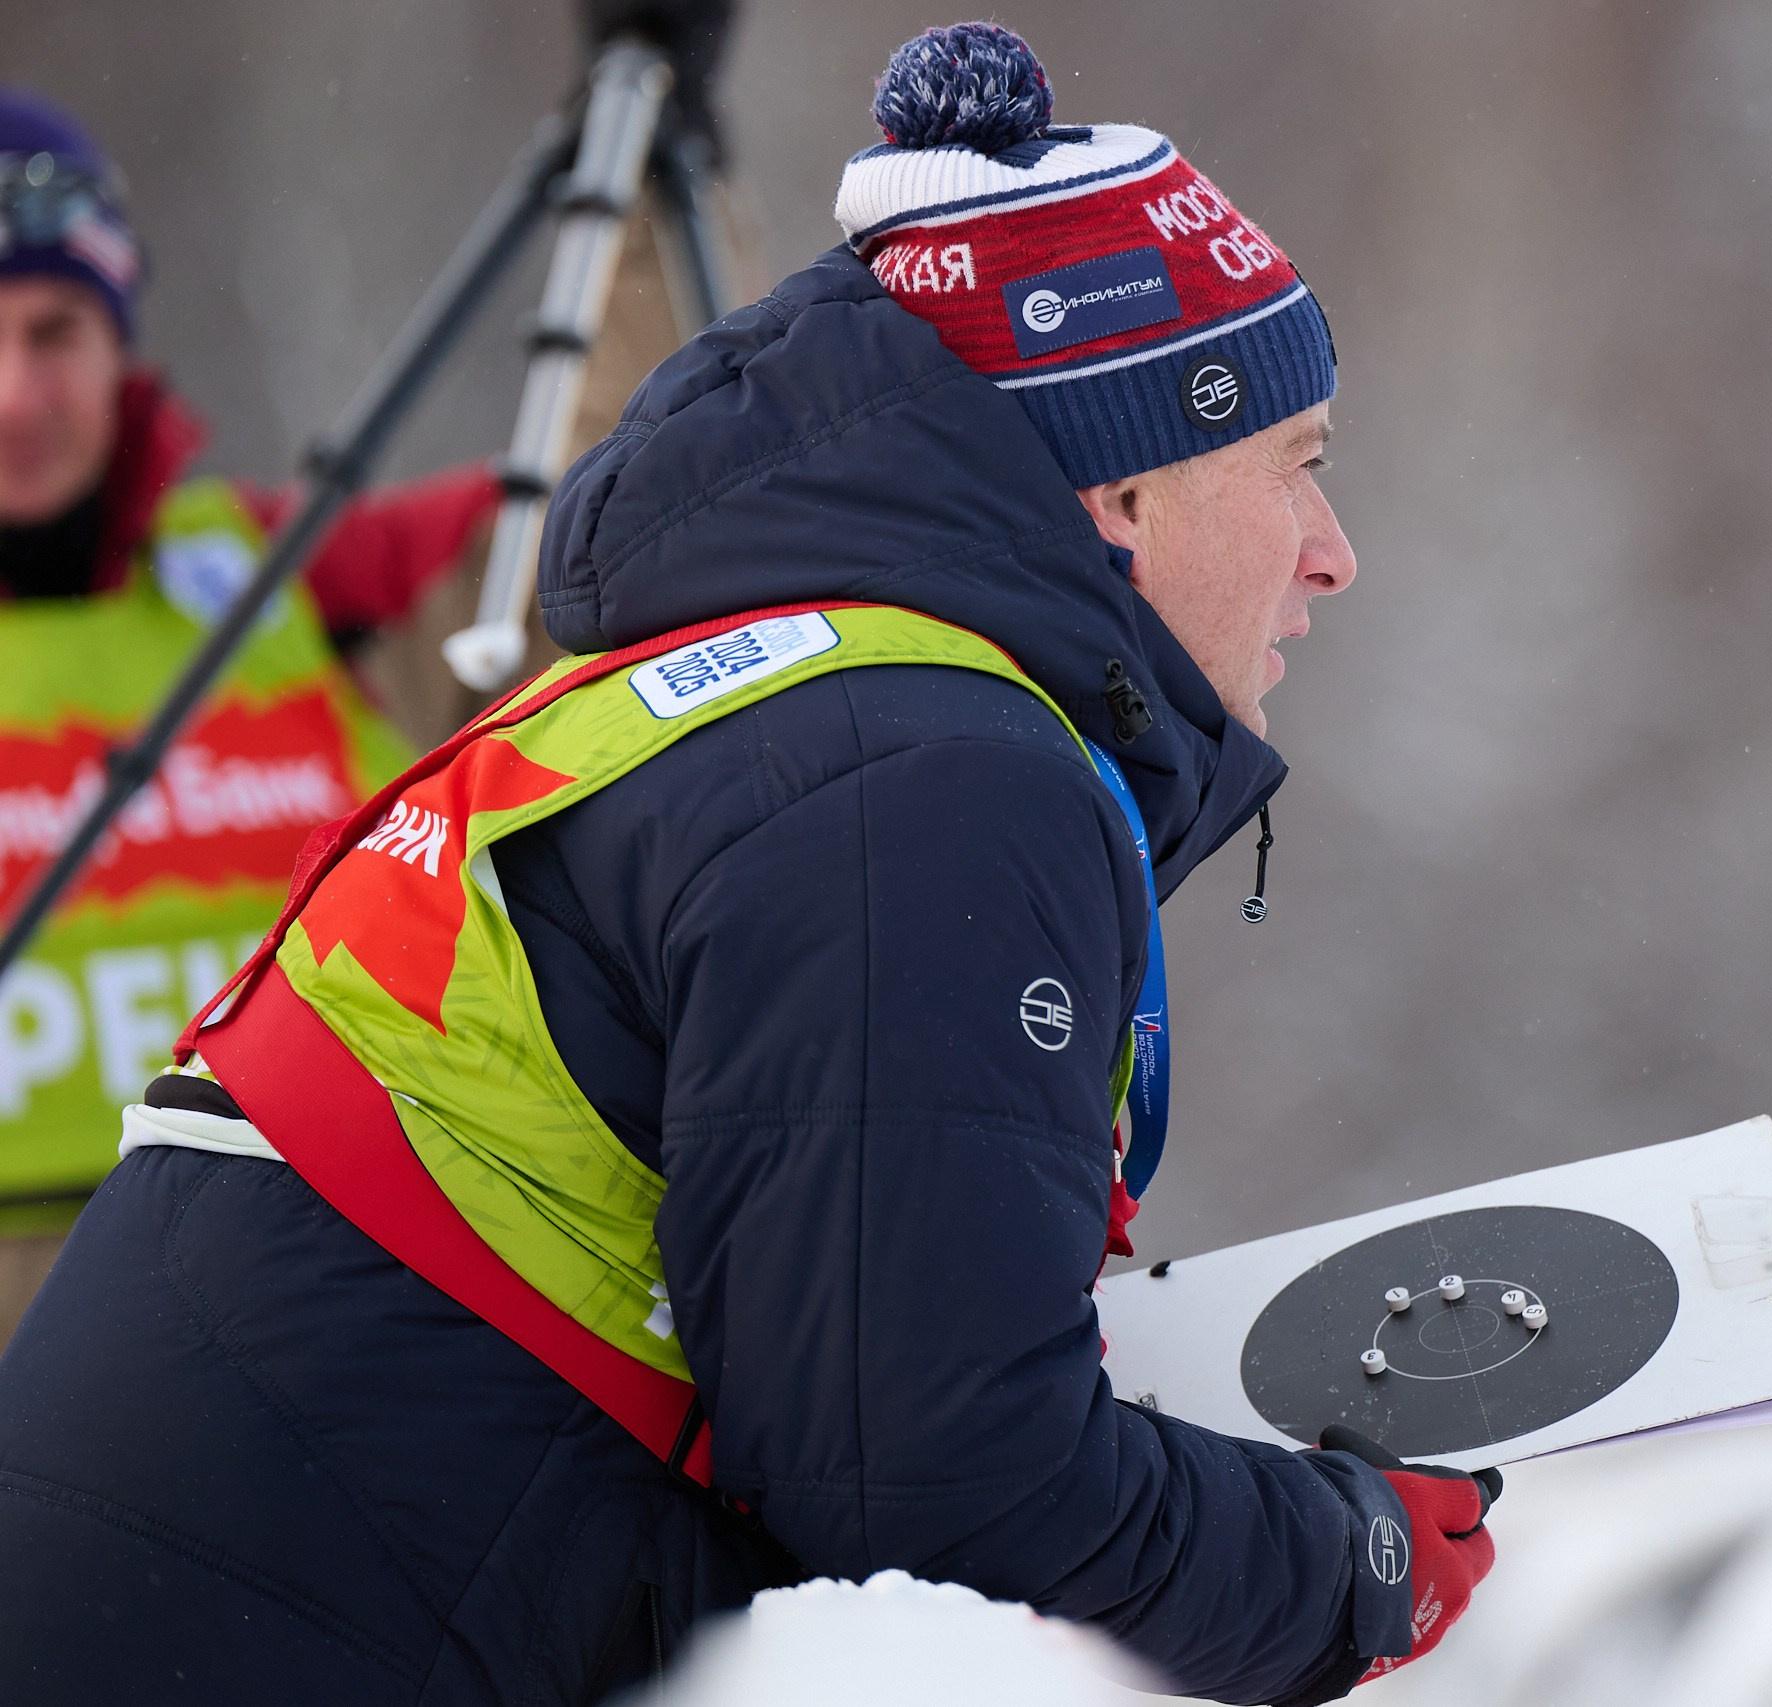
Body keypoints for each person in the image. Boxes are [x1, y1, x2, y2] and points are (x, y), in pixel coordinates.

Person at [0, 24, 1496, 1707]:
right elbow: (933, 1486)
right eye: (1298, 466)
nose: (1332, 555)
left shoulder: (798, 696)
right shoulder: (923, 775)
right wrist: (1345, 1560)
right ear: (1126, 490)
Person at [0, 89, 501, 1240]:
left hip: (285, 1267)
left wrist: (652, 126)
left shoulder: (287, 575)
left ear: (118, 340)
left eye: (55, 332)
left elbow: (612, 506)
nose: (16, 397)